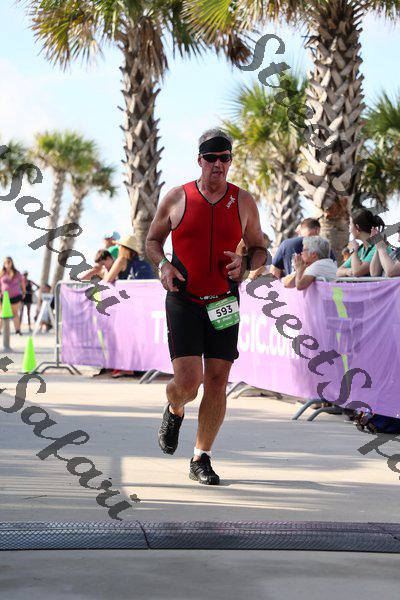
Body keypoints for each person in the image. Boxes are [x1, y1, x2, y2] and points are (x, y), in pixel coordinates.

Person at [146, 127, 266, 485]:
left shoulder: (243, 201)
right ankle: (174, 407)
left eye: (224, 158)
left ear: (230, 160)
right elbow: (152, 241)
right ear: (199, 160)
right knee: (188, 383)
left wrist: (247, 263)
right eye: (211, 158)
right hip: (184, 299)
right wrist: (163, 265)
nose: (218, 164)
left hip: (224, 302)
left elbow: (260, 248)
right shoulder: (177, 197)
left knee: (217, 381)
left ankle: (201, 457)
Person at [270, 218, 335, 278]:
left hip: (292, 284)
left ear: (301, 230)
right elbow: (334, 271)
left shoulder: (286, 244)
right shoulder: (324, 246)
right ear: (317, 230)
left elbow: (274, 272)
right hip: (322, 285)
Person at [337, 209, 385, 277]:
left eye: (350, 225)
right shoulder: (361, 249)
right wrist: (348, 271)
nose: (350, 229)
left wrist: (353, 252)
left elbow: (357, 271)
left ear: (357, 228)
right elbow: (338, 271)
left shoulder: (378, 246)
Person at [0, 257, 26, 335]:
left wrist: (24, 292)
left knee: (15, 313)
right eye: (6, 262)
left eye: (9, 262)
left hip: (15, 296)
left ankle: (17, 330)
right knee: (2, 313)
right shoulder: (2, 273)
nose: (8, 264)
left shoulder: (17, 273)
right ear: (4, 263)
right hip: (3, 297)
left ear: (12, 263)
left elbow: (22, 283)